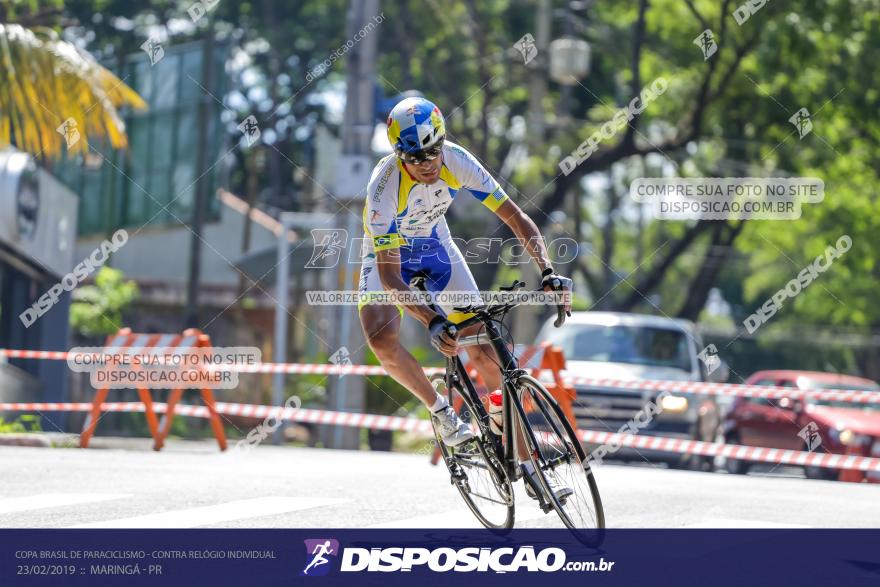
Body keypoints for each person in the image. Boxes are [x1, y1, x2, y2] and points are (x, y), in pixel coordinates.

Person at [358, 96, 573, 500]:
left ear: (443, 142)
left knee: (485, 350)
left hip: (437, 246)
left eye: (432, 152)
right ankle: (440, 410)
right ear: (399, 155)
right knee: (381, 339)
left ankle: (529, 468)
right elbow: (389, 276)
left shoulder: (458, 161)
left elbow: (516, 217)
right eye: (414, 157)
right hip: (388, 255)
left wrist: (546, 270)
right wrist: (432, 320)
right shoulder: (383, 188)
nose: (426, 164)